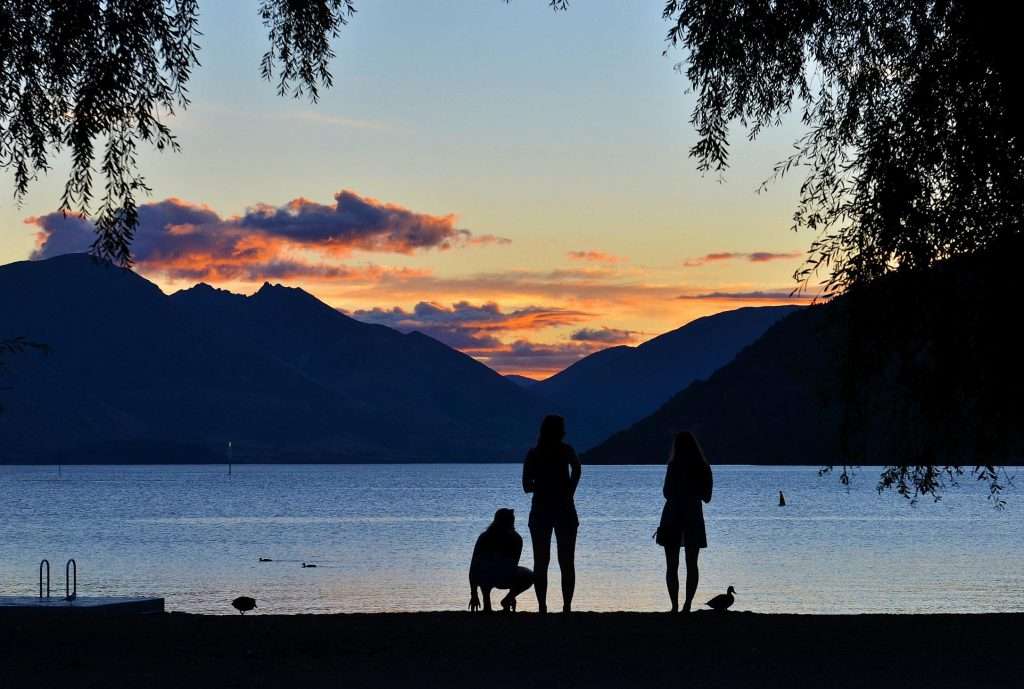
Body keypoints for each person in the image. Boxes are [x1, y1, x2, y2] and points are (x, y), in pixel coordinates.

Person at [522, 415, 582, 613]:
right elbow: (577, 468)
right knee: (567, 561)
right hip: (564, 509)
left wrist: (541, 485)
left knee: (541, 560)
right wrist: (569, 489)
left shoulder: (534, 453)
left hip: (541, 510)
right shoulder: (566, 450)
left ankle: (542, 607)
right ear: (560, 431)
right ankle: (566, 607)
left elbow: (526, 485)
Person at [657, 431, 713, 613]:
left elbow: (666, 492)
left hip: (672, 515)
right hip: (693, 516)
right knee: (692, 564)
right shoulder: (703, 467)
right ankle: (687, 605)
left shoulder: (673, 466)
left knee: (672, 565)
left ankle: (674, 606)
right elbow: (707, 497)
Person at [469, 508, 533, 613]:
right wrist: (474, 594)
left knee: (483, 569)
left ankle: (488, 603)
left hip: (488, 577)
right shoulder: (516, 538)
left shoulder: (484, 537)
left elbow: (474, 566)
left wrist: (474, 593)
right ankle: (507, 599)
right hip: (503, 577)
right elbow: (513, 565)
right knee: (530, 575)